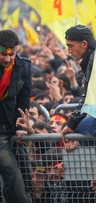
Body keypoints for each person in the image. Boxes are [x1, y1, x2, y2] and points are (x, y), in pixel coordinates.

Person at [0, 29, 32, 202]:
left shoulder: (24, 66)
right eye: (3, 54)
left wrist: (22, 125)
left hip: (12, 127)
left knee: (25, 174)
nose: (7, 59)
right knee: (13, 175)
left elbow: (24, 98)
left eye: (11, 55)